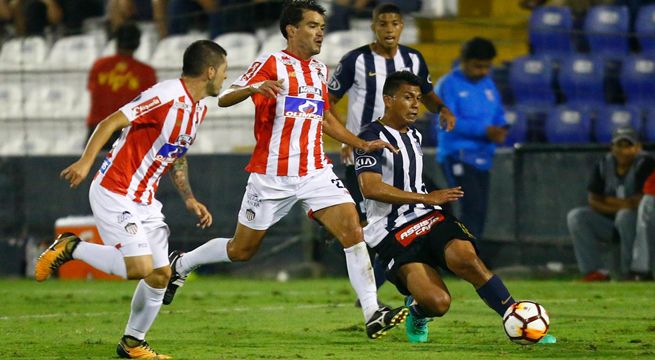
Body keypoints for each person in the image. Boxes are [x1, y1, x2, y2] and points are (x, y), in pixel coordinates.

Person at [163, 0, 408, 340]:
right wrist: (254, 87)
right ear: (292, 30)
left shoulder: (319, 70)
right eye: (312, 26)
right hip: (272, 175)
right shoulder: (271, 62)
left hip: (315, 170)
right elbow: (224, 97)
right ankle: (182, 264)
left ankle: (372, 312)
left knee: (353, 232)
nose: (320, 32)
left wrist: (360, 143)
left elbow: (323, 117)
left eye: (322, 27)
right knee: (241, 250)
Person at [34, 40, 228, 359]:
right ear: (209, 71)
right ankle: (71, 246)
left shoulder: (197, 110)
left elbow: (176, 156)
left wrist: (189, 199)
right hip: (116, 189)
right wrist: (85, 161)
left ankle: (132, 343)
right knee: (139, 267)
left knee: (161, 275)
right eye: (223, 71)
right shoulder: (165, 94)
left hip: (144, 199)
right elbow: (110, 122)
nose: (224, 78)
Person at [354, 71, 544, 344]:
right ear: (388, 99)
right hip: (391, 233)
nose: (416, 105)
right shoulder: (370, 135)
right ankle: (418, 311)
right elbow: (370, 188)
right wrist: (426, 198)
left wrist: (427, 202)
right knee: (439, 302)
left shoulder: (415, 135)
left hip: (428, 217)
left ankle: (515, 319)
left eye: (419, 98)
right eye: (408, 98)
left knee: (467, 258)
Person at [328, 2, 455, 304]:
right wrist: (348, 138)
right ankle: (372, 293)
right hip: (365, 155)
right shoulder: (355, 60)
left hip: (403, 156)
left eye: (394, 23)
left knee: (424, 213)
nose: (388, 29)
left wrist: (442, 108)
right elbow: (327, 100)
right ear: (373, 26)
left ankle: (408, 284)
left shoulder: (413, 58)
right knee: (366, 223)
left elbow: (425, 93)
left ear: (402, 27)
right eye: (382, 23)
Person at [434, 37, 507, 239]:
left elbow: (499, 112)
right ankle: (465, 257)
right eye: (477, 66)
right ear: (464, 61)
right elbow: (448, 122)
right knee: (471, 207)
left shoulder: (488, 84)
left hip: (483, 157)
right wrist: (485, 131)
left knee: (480, 210)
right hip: (458, 155)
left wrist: (502, 127)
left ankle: (473, 256)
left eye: (487, 67)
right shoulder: (448, 85)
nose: (482, 71)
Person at [567, 126, 655, 281]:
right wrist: (621, 203)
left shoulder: (646, 163)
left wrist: (608, 201)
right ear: (612, 147)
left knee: (625, 215)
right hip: (608, 222)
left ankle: (632, 273)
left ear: (638, 147)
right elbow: (593, 201)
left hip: (638, 226)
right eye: (619, 145)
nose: (623, 150)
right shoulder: (603, 164)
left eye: (628, 145)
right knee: (577, 216)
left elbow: (640, 202)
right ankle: (594, 271)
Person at [86, 22, 157, 151]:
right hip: (129, 132)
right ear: (137, 43)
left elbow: (92, 90)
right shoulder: (146, 72)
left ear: (116, 41)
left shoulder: (99, 66)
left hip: (98, 130)